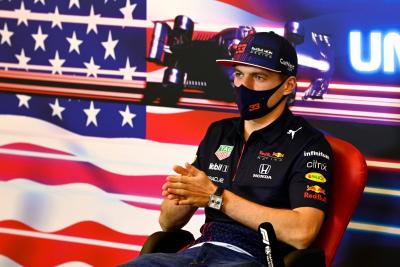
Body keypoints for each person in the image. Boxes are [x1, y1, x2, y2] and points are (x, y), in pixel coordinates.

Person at [122, 31, 332, 266]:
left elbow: (303, 233)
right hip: (197, 251)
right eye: (239, 74)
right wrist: (182, 192)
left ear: (288, 85)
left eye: (259, 77)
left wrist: (216, 198)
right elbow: (168, 223)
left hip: (254, 257)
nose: (244, 85)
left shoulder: (308, 144)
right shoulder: (219, 132)